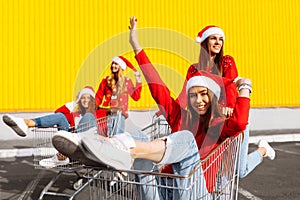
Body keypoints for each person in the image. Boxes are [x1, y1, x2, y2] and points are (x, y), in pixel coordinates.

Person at [50, 17, 261, 199]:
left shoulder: (218, 126)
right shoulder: (180, 116)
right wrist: (135, 45)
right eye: (193, 95)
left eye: (204, 94)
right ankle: (99, 145)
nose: (199, 100)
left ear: (213, 98)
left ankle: (121, 149)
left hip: (196, 192)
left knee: (187, 141)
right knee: (141, 136)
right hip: (166, 192)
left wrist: (245, 89)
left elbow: (241, 120)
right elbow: (156, 84)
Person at [2, 86, 97, 168]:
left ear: (92, 100)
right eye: (82, 97)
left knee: (89, 116)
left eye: (88, 98)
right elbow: (57, 113)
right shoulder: (75, 114)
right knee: (60, 117)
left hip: (85, 148)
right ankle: (26, 123)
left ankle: (66, 156)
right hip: (70, 146)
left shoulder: (99, 113)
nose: (85, 100)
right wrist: (75, 102)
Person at [95, 56, 142, 134]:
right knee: (107, 136)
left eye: (116, 64)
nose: (113, 65)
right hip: (107, 115)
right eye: (113, 63)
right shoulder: (106, 80)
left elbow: (136, 96)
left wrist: (138, 82)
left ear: (121, 67)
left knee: (117, 138)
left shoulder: (127, 82)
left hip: (120, 115)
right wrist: (92, 107)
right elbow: (98, 97)